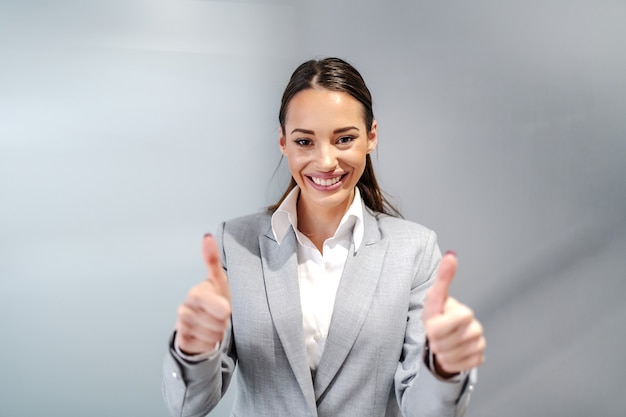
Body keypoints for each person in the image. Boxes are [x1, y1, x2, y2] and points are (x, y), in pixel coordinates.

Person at [162, 57, 486, 417]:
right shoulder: (236, 245)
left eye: (344, 138)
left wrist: (443, 367)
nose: (326, 161)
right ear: (284, 143)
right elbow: (187, 406)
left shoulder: (415, 251)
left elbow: (429, 411)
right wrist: (193, 350)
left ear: (371, 137)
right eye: (305, 141)